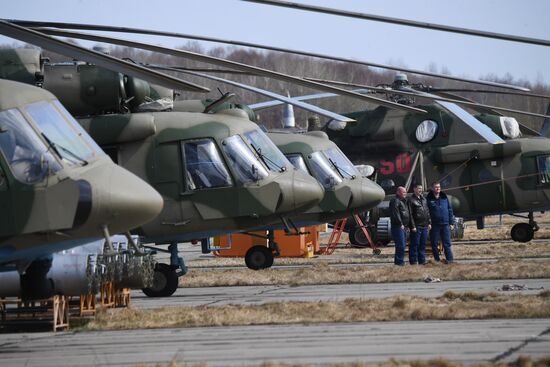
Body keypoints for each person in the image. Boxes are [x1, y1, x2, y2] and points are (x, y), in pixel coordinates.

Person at [426, 181, 455, 263]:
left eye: (439, 187)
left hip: (445, 224)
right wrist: (428, 223)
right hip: (434, 225)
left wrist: (451, 222)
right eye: (436, 187)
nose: (438, 188)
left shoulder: (444, 197)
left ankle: (450, 260)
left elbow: (450, 210)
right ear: (432, 188)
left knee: (447, 243)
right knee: (434, 243)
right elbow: (426, 212)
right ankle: (437, 260)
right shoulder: (428, 199)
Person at [408, 183, 431, 265]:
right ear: (414, 189)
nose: (420, 190)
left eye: (421, 188)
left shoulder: (424, 199)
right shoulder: (411, 200)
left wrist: (429, 222)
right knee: (415, 244)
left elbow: (427, 211)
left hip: (424, 225)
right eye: (418, 188)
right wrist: (413, 226)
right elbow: (410, 214)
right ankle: (413, 261)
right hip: (416, 226)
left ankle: (422, 260)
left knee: (423, 244)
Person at [389, 186, 411, 266]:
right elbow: (396, 214)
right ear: (398, 192)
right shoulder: (395, 201)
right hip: (398, 227)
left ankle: (399, 261)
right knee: (400, 245)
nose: (405, 194)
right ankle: (399, 262)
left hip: (404, 227)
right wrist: (400, 223)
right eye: (403, 192)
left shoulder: (404, 201)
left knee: (403, 245)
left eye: (405, 192)